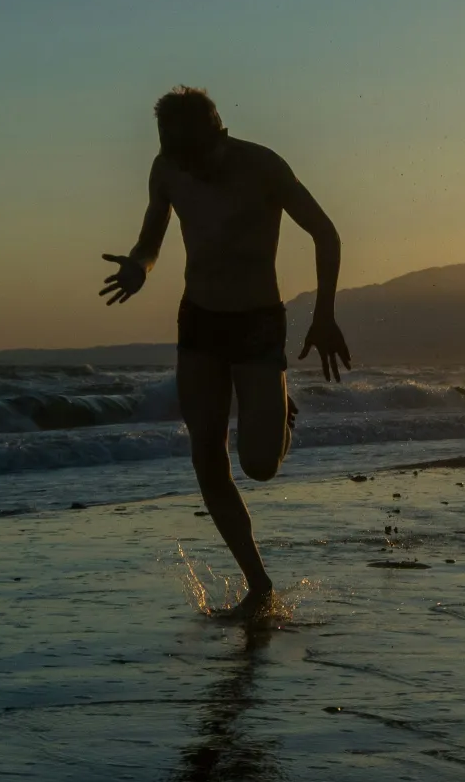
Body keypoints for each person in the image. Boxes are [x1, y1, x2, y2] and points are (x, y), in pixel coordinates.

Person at [100, 87, 350, 616]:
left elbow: (326, 234)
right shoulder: (167, 169)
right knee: (207, 456)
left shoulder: (263, 166)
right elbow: (151, 242)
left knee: (258, 465)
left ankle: (278, 410)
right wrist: (137, 268)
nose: (190, 168)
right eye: (177, 156)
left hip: (257, 323)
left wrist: (324, 314)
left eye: (196, 154)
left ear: (220, 134)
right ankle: (258, 584)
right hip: (199, 322)